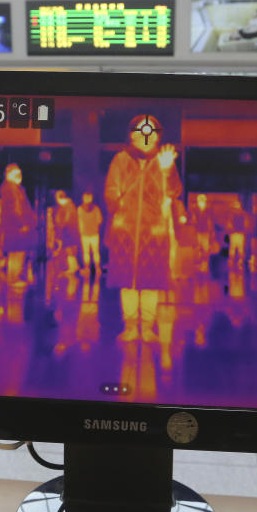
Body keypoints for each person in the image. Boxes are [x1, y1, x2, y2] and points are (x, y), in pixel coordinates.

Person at [104, 114, 182, 342]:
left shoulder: (163, 161)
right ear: (132, 136)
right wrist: (118, 205)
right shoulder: (121, 159)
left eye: (151, 132)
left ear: (158, 136)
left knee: (151, 282)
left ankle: (147, 326)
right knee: (127, 282)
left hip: (154, 230)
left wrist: (167, 170)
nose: (145, 137)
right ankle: (130, 325)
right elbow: (110, 189)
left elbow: (174, 191)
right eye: (140, 132)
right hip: (125, 230)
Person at [0, 163, 34, 288]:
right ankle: (14, 279)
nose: (20, 175)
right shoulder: (12, 189)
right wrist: (22, 224)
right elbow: (15, 209)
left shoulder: (12, 188)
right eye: (16, 173)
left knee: (15, 253)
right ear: (9, 174)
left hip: (13, 227)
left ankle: (13, 278)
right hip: (17, 227)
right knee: (17, 253)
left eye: (20, 172)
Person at [52, 189, 81, 276]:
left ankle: (74, 267)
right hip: (70, 232)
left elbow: (65, 220)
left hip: (68, 232)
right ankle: (74, 267)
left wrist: (60, 227)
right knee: (70, 250)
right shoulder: (69, 206)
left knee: (70, 250)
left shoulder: (67, 207)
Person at [77, 192, 102, 277]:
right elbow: (99, 220)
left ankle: (87, 268)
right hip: (95, 233)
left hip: (85, 234)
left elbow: (79, 222)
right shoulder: (96, 209)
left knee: (86, 252)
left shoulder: (80, 209)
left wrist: (81, 230)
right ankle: (98, 268)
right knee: (96, 252)